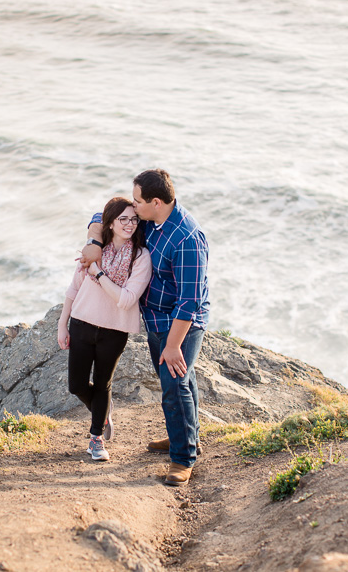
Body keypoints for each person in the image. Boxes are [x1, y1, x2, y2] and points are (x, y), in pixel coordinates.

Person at [83, 169, 209, 485]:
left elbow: (189, 301)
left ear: (155, 201)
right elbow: (103, 214)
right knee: (182, 380)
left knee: (175, 385)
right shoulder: (151, 219)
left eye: (138, 201)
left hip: (180, 324)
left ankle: (183, 458)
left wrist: (173, 345)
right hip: (155, 319)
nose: (133, 206)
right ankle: (185, 436)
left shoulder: (187, 239)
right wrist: (93, 241)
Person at [58, 197, 151, 461]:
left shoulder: (140, 256)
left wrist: (98, 273)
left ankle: (96, 438)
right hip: (82, 323)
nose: (129, 224)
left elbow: (126, 299)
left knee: (102, 383)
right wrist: (62, 324)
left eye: (134, 219)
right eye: (123, 219)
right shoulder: (94, 249)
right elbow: (74, 287)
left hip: (114, 329)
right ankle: (103, 409)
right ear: (109, 223)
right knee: (76, 385)